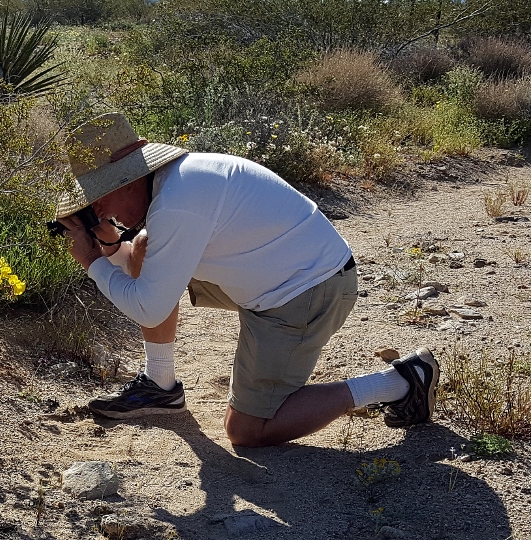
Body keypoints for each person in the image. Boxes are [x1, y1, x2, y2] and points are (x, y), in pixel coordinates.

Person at [56, 112, 439, 447]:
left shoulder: (177, 205)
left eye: (98, 196)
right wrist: (108, 246)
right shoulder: (181, 178)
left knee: (248, 431)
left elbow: (148, 306)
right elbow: (142, 273)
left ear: (128, 178)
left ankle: (401, 381)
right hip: (293, 273)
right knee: (142, 247)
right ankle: (161, 384)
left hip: (307, 293)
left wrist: (91, 260)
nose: (98, 209)